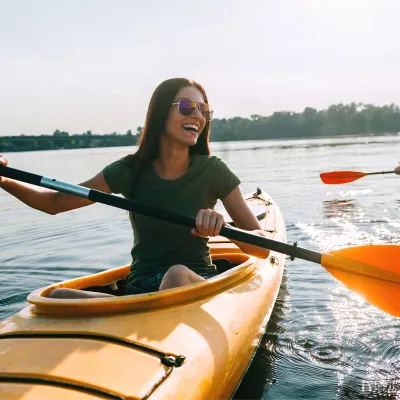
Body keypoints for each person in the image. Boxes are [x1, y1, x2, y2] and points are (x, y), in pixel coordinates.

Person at [0, 78, 269, 299]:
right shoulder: (129, 170)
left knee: (175, 274)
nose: (198, 116)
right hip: (140, 288)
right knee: (56, 296)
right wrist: (4, 180)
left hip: (194, 281)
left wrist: (224, 228)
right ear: (162, 113)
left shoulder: (213, 170)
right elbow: (53, 203)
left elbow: (262, 247)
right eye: (188, 106)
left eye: (204, 110)